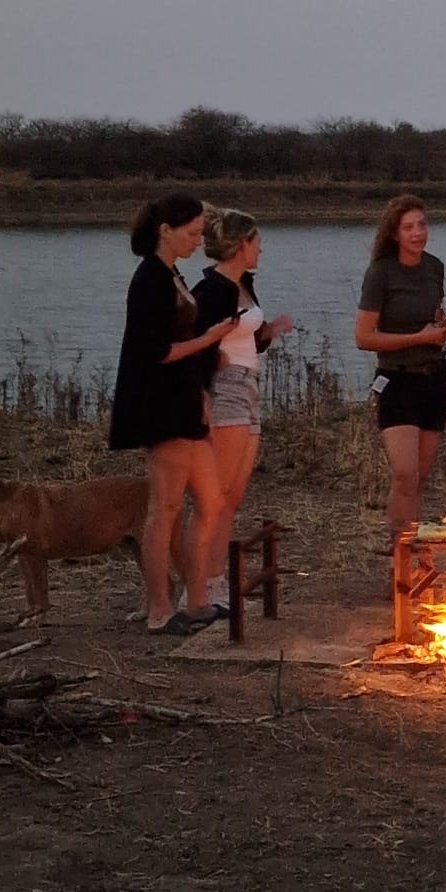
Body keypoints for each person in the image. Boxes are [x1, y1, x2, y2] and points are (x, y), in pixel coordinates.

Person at [109, 193, 239, 636]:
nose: (197, 241)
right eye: (191, 233)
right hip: (161, 406)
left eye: (201, 233)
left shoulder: (172, 275)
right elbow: (156, 352)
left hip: (184, 400)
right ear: (165, 230)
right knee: (164, 508)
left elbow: (180, 339)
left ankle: (197, 597)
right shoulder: (149, 279)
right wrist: (211, 339)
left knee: (211, 500)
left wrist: (203, 378)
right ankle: (159, 609)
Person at [192, 206, 294, 611]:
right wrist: (206, 371)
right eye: (257, 242)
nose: (261, 250)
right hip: (226, 390)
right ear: (240, 245)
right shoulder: (212, 290)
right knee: (214, 497)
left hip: (250, 384)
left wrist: (269, 332)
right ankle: (199, 588)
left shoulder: (243, 284)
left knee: (232, 496)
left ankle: (216, 583)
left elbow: (244, 337)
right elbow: (196, 339)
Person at [353, 195, 446, 545]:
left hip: (434, 379)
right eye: (409, 227)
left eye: (422, 225)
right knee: (404, 474)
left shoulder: (434, 267)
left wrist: (444, 328)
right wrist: (417, 337)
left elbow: (433, 315)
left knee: (419, 478)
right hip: (397, 380)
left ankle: (412, 559)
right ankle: (399, 563)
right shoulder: (381, 272)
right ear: (395, 233)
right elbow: (364, 337)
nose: (418, 233)